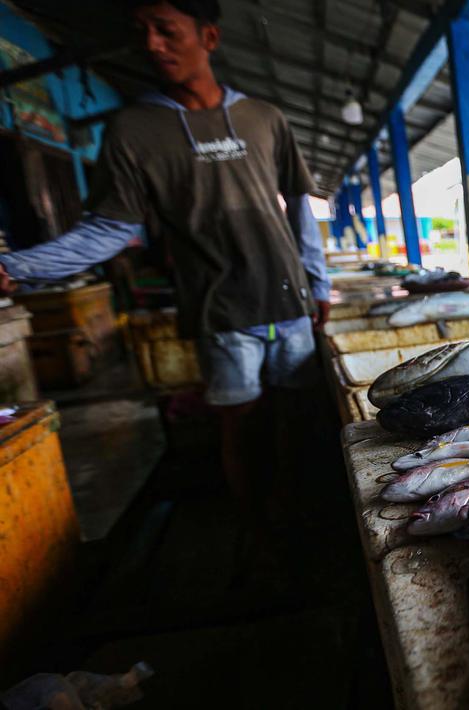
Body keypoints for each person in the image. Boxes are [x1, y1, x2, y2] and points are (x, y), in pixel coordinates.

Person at [0, 0, 329, 528]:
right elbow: (109, 229)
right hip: (220, 310)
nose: (152, 44)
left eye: (166, 30)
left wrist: (319, 285)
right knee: (238, 426)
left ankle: (303, 514)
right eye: (142, 32)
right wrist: (19, 267)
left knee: (301, 415)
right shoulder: (134, 130)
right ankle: (257, 528)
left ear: (209, 38)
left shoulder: (264, 117)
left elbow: (300, 212)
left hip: (289, 303)